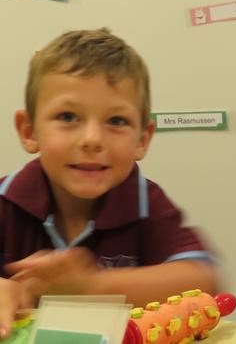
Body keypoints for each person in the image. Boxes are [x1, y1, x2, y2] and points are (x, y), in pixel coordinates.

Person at [0, 28, 220, 337]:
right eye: (67, 116)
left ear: (142, 139)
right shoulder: (5, 200)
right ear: (28, 131)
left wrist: (88, 286)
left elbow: (202, 280)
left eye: (116, 121)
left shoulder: (145, 203)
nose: (92, 139)